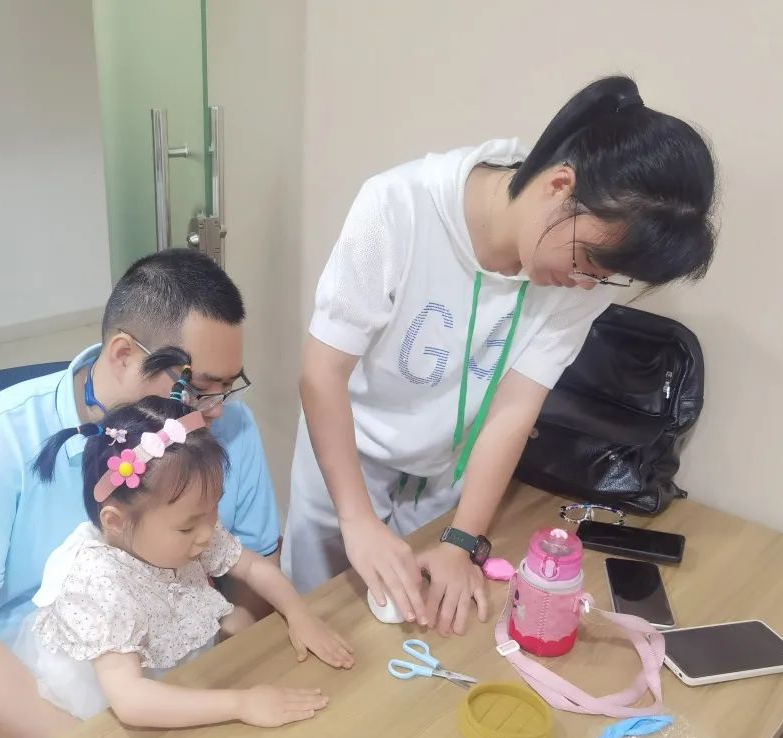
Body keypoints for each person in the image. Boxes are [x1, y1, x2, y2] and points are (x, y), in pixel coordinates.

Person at [283, 76, 717, 638]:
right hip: (348, 452)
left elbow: (516, 409)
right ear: (560, 186)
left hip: (448, 470)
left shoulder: (584, 274)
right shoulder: (398, 207)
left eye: (609, 276)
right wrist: (356, 518)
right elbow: (322, 373)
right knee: (314, 621)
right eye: (588, 262)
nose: (589, 284)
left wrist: (461, 540)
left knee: (414, 630)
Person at [0, 249, 282, 738]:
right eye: (198, 389)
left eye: (228, 386)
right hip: (48, 703)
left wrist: (228, 669)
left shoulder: (229, 426)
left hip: (187, 679)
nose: (216, 410)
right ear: (124, 355)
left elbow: (257, 563)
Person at [0, 395, 352, 738]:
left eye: (214, 509)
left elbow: (254, 567)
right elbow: (131, 700)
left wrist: (299, 614)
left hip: (165, 682)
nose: (207, 532)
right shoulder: (98, 582)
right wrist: (242, 703)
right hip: (95, 708)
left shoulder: (192, 529)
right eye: (188, 526)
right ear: (116, 523)